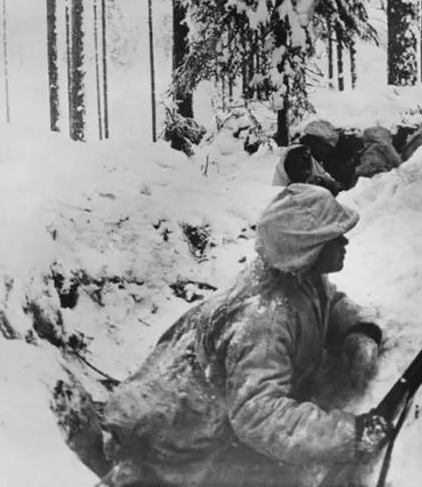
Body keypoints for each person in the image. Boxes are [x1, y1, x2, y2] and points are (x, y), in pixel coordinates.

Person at [100, 184, 391, 487]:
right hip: (178, 427)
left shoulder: (296, 275)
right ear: (309, 249)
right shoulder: (265, 322)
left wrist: (357, 330)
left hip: (202, 400)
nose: (344, 241)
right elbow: (258, 416)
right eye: (334, 236)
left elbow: (326, 301)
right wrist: (347, 435)